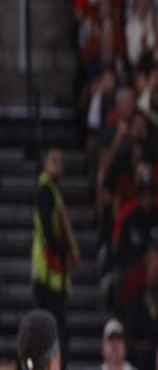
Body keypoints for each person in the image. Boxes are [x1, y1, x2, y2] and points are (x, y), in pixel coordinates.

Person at [31, 149, 80, 366]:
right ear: (44, 164)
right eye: (54, 160)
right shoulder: (45, 190)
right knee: (54, 331)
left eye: (61, 160)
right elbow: (49, 233)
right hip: (48, 273)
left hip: (53, 273)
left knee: (55, 330)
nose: (59, 164)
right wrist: (64, 254)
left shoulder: (52, 190)